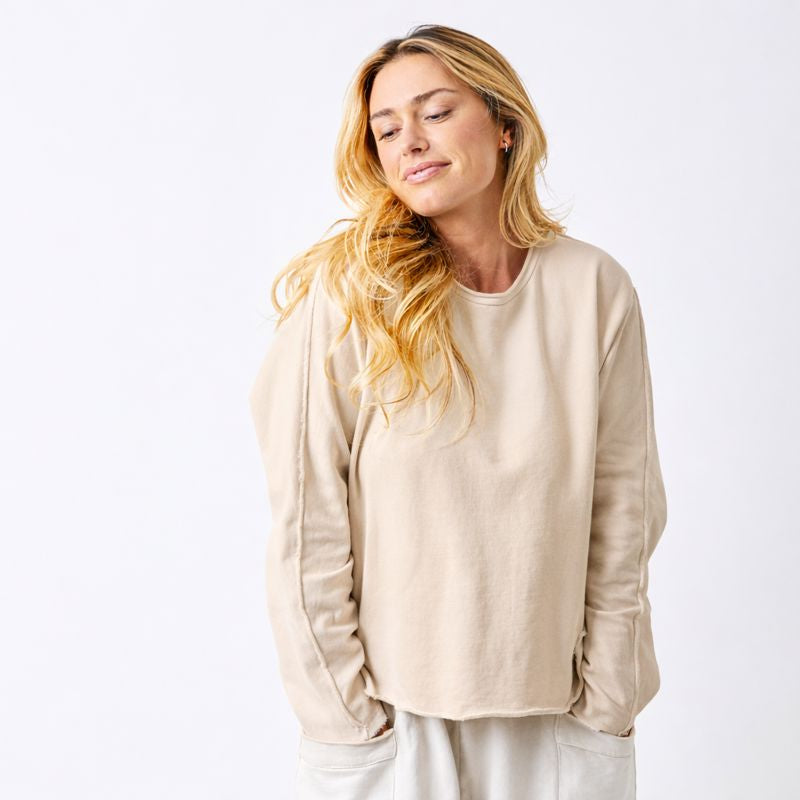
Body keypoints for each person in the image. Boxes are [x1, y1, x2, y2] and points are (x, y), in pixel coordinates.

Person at [248, 23, 667, 800]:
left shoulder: (593, 290)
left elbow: (624, 516)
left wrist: (607, 706)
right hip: (393, 729)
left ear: (505, 124)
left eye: (436, 112)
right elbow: (307, 522)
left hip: (560, 727)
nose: (410, 140)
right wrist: (346, 723)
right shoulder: (352, 295)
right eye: (386, 129)